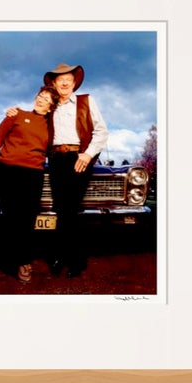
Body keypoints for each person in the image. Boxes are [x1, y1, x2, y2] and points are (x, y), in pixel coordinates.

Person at [32, 62, 109, 277]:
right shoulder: (50, 106)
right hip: (56, 160)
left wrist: (87, 154)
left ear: (74, 83)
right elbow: (32, 119)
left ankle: (75, 260)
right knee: (60, 209)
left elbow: (101, 131)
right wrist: (14, 114)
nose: (65, 82)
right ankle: (61, 256)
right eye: (60, 79)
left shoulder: (86, 101)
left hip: (79, 158)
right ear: (54, 84)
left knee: (71, 209)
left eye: (69, 79)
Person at [0, 88, 54, 283]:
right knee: (12, 217)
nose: (40, 99)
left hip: (33, 174)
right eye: (39, 96)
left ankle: (24, 261)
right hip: (8, 170)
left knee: (27, 218)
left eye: (46, 98)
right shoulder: (17, 114)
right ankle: (18, 258)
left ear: (51, 107)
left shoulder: (52, 126)